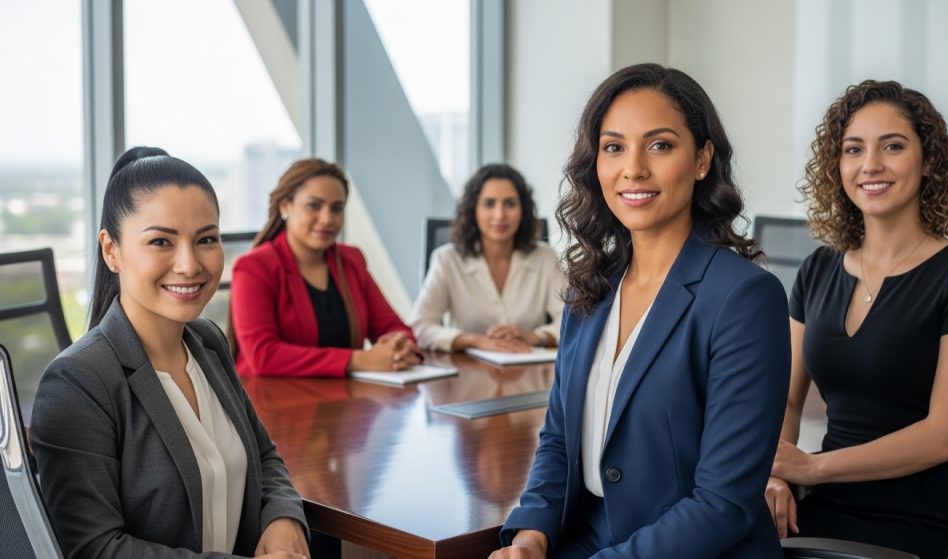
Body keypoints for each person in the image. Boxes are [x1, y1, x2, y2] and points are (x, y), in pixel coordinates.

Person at [491, 63, 790, 558]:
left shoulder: (744, 297)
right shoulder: (589, 289)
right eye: (614, 147)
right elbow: (560, 442)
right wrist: (529, 537)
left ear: (702, 160)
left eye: (660, 145)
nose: (633, 168)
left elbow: (723, 503)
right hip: (588, 540)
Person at [765, 80, 948, 558]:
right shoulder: (819, 268)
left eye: (893, 146)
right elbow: (786, 400)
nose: (870, 165)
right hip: (825, 499)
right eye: (853, 149)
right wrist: (778, 470)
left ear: (929, 161)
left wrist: (813, 469)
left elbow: (947, 436)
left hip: (920, 516)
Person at [31, 147, 310, 558]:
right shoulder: (78, 382)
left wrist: (284, 517)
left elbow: (264, 456)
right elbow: (95, 550)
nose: (189, 264)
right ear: (111, 250)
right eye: (161, 241)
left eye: (206, 240)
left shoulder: (207, 342)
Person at [229, 158, 419, 377]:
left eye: (337, 208)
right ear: (286, 206)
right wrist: (357, 360)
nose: (327, 219)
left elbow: (392, 326)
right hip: (271, 403)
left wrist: (399, 346)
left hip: (345, 401)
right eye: (314, 206)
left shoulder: (351, 260)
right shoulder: (254, 267)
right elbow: (263, 355)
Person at [410, 163, 566, 353]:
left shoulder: (545, 257)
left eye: (510, 204)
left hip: (529, 368)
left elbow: (572, 321)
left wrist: (535, 336)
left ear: (523, 210)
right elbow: (420, 327)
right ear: (473, 210)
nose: (500, 215)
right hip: (467, 374)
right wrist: (474, 340)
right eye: (489, 204)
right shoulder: (447, 259)